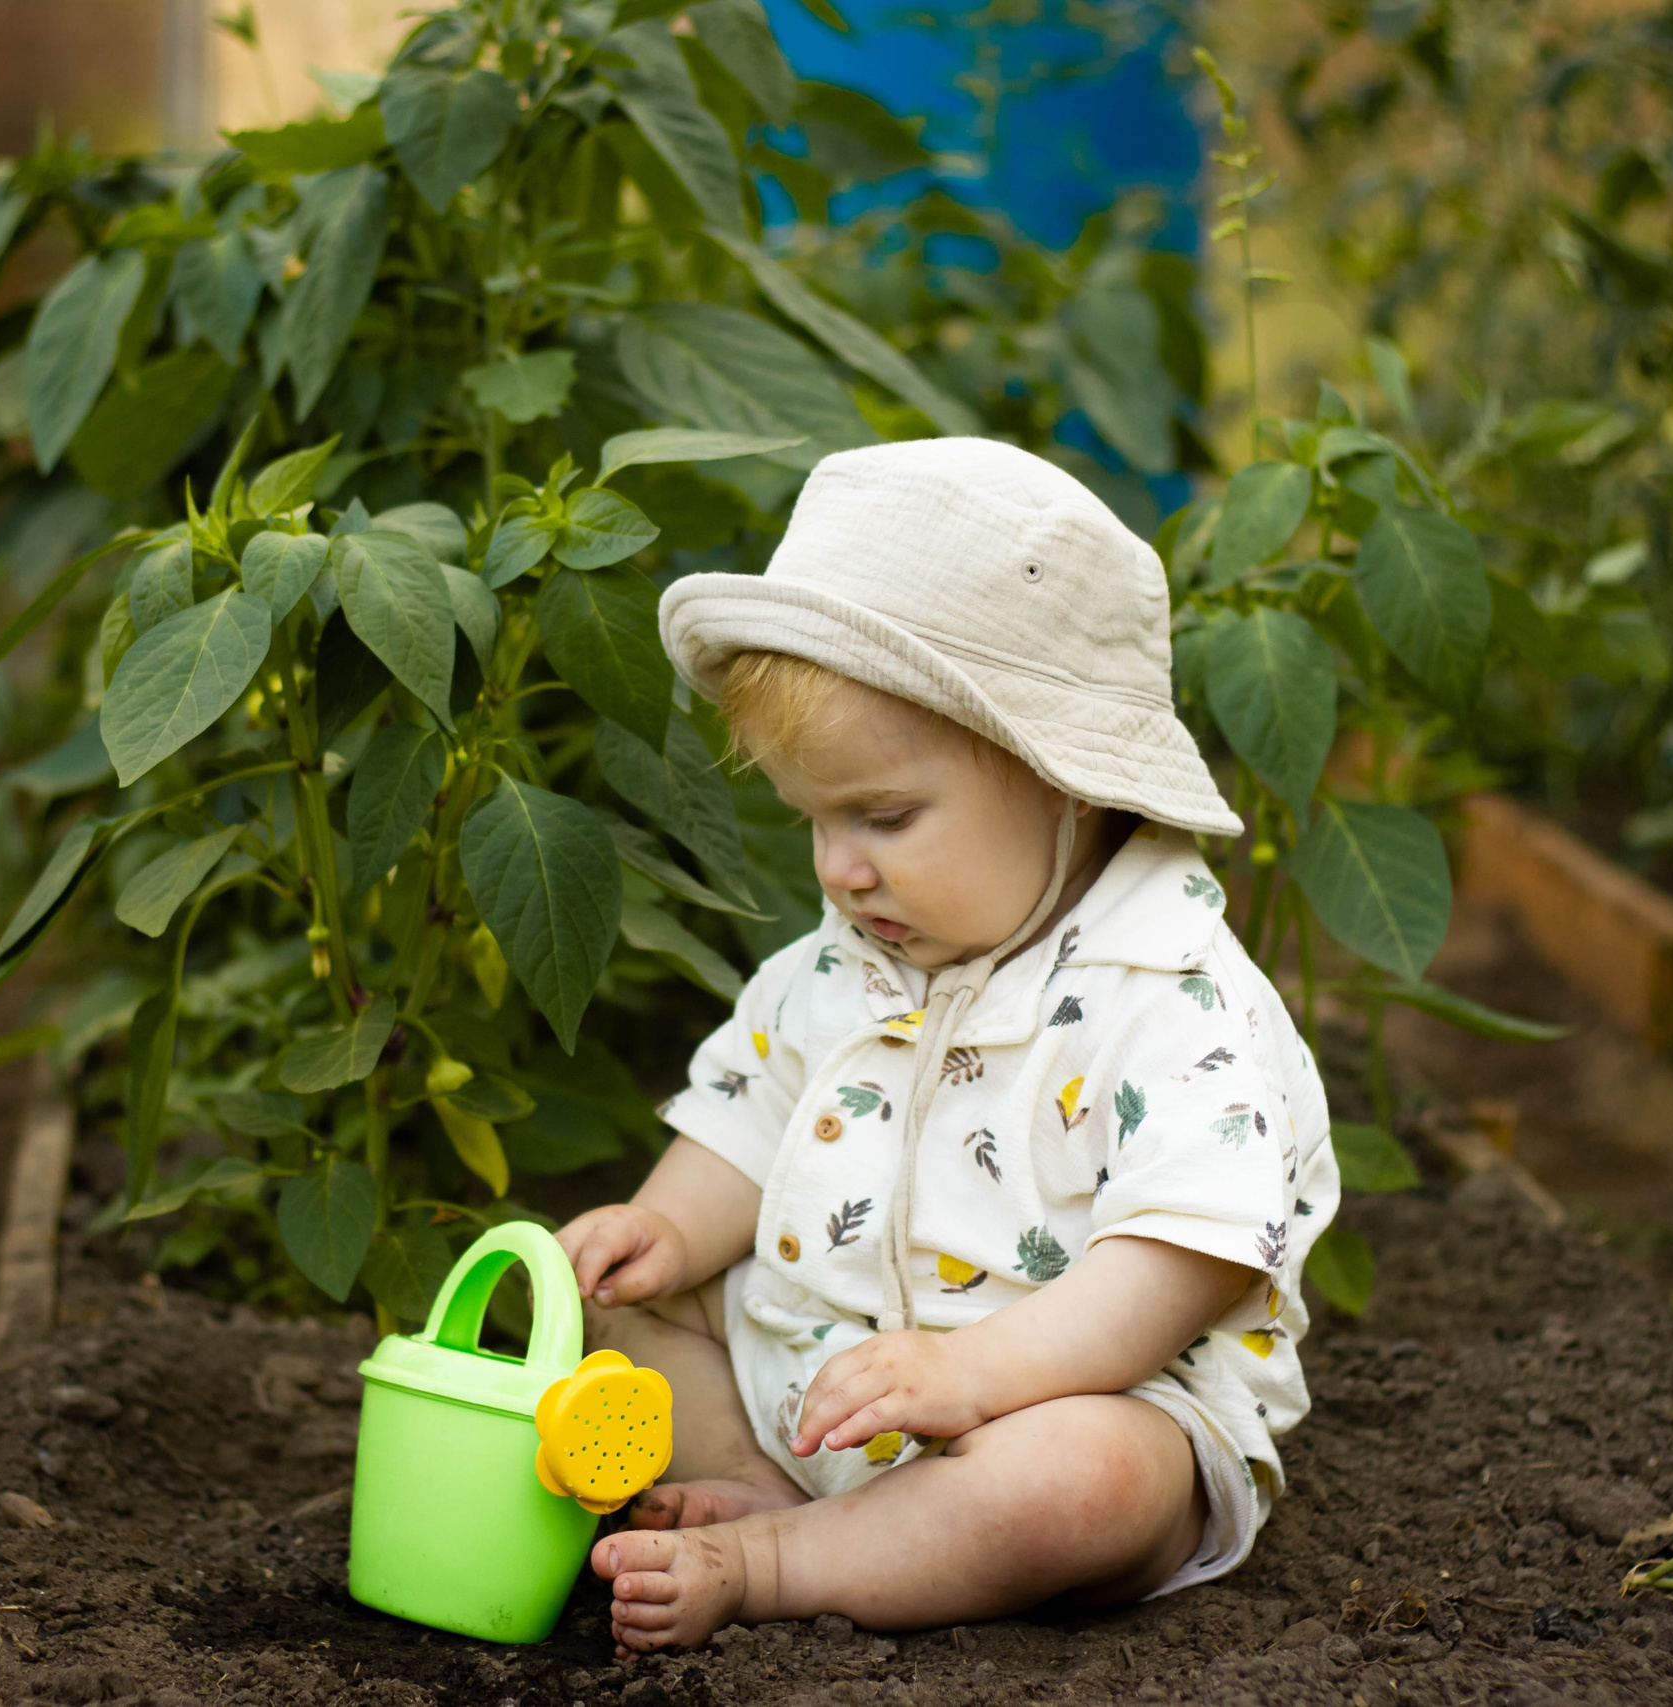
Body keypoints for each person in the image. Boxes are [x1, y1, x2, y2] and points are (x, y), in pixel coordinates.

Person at [553, 437, 1338, 1653]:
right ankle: (779, 1499)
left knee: (1091, 1483)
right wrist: (663, 1228)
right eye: (813, 820)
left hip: (1049, 1406)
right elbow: (751, 1118)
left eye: (883, 816)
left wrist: (977, 1378)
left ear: (1062, 777)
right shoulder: (842, 961)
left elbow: (1182, 1259)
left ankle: (770, 1559)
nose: (838, 868)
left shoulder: (1170, 997)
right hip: (822, 1385)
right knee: (627, 1316)